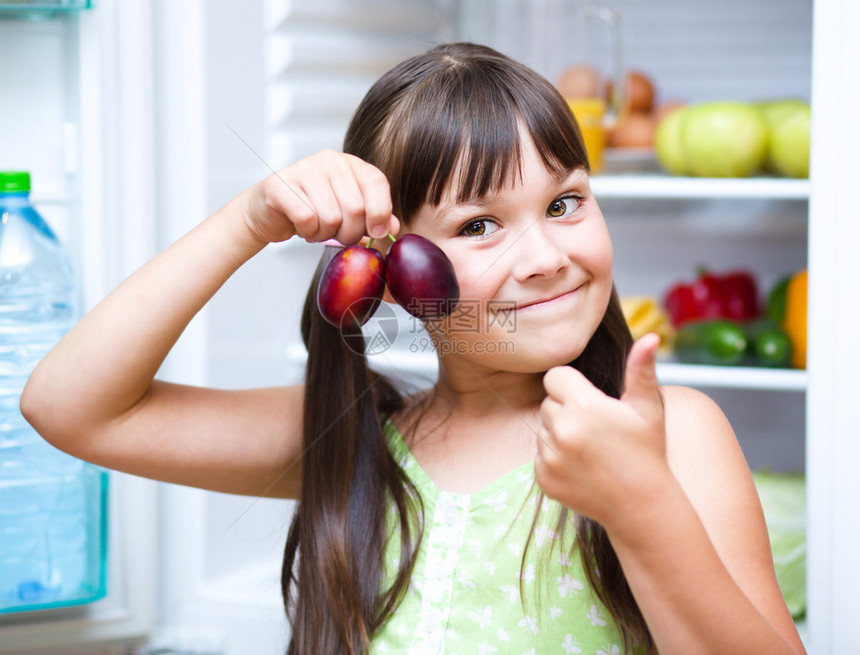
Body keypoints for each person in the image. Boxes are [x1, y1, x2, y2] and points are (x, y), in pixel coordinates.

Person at [21, 43, 805, 655]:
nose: (545, 256)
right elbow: (70, 407)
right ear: (391, 273)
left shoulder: (672, 435)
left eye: (564, 202)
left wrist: (641, 505)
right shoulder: (359, 438)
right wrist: (250, 220)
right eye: (478, 225)